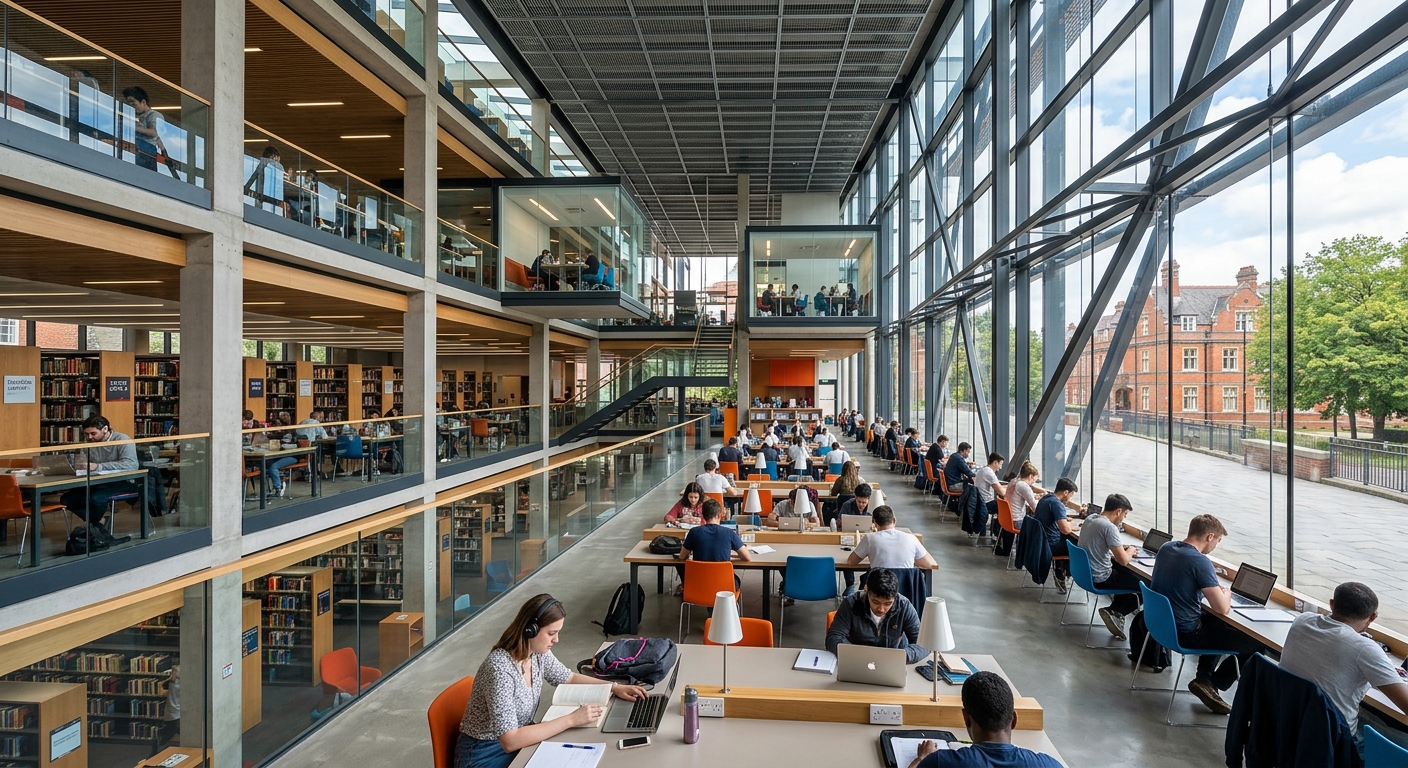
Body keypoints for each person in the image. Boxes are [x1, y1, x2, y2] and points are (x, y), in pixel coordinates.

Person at [456, 595, 646, 767]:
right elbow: (510, 741)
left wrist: (614, 687)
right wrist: (572, 719)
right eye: (551, 633)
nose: (556, 640)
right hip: (484, 754)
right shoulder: (499, 670)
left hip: (519, 738)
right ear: (530, 630)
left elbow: (568, 677)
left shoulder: (536, 653)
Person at [1150, 514, 1268, 715]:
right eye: (1218, 541)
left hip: (1161, 626)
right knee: (1256, 644)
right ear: (1209, 536)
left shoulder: (1166, 548)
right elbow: (1222, 608)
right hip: (1184, 633)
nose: (1215, 546)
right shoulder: (1200, 561)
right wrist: (1227, 594)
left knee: (1216, 624)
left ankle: (1204, 679)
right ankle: (1213, 682)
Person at [1279, 582, 1408, 754]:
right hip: (1333, 742)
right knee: (1397, 737)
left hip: (1286, 724)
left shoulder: (1303, 620)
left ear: (1332, 604)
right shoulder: (1365, 649)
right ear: (1372, 617)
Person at [907, 672, 1062, 768]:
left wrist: (922, 758)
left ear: (966, 719)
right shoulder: (1049, 765)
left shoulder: (940, 762)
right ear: (1014, 720)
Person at [825, 567, 928, 663]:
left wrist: (901, 656)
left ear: (895, 596)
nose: (881, 609)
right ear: (866, 589)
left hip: (892, 662)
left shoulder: (904, 606)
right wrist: (857, 655)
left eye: (888, 603)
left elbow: (924, 644)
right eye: (875, 602)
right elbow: (833, 637)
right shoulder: (850, 604)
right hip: (859, 661)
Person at [1075, 493, 1141, 640]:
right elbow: (1124, 560)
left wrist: (1120, 547)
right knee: (1145, 584)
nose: (1124, 518)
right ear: (1118, 511)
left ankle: (1115, 612)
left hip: (1084, 573)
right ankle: (1116, 611)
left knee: (1127, 576)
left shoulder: (1091, 518)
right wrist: (1130, 550)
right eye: (1125, 514)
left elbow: (1100, 543)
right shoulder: (1109, 527)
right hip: (1101, 577)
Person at [59, 415, 140, 529]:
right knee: (67, 499)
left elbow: (131, 465)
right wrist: (75, 465)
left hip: (123, 481)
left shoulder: (122, 439)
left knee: (96, 498)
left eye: (93, 433)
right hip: (98, 482)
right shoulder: (89, 443)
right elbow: (84, 463)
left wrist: (98, 466)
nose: (89, 437)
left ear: (105, 429)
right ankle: (99, 523)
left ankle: (95, 528)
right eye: (86, 434)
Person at [681, 499, 750, 589]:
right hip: (724, 586)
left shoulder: (694, 532)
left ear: (703, 515)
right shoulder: (729, 533)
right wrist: (734, 555)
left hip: (699, 584)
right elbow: (747, 557)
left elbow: (682, 556)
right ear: (719, 515)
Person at [847, 505, 935, 571]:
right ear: (894, 520)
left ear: (875, 523)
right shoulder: (911, 538)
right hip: (905, 588)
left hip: (879, 588)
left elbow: (851, 562)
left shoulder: (870, 538)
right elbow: (930, 564)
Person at [1032, 477, 1079, 590]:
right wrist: (1072, 528)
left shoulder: (1046, 498)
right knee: (1078, 544)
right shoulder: (1057, 504)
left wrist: (1065, 522)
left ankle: (1060, 570)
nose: (1070, 498)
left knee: (1066, 539)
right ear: (1065, 492)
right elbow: (1065, 530)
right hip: (1050, 545)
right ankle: (1065, 572)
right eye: (1071, 495)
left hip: (1041, 542)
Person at [995, 462, 1040, 556]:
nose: (1033, 483)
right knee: (1039, 527)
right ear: (1031, 476)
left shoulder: (1014, 481)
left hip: (1007, 519)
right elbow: (1035, 508)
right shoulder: (1024, 486)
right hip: (1017, 521)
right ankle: (1030, 555)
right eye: (1035, 479)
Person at [122, 86, 165, 172]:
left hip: (147, 153)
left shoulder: (154, 115)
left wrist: (134, 126)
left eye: (134, 104)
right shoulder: (136, 116)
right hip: (137, 150)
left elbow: (154, 132)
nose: (132, 107)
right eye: (129, 104)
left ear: (143, 102)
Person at [973, 452, 1007, 537]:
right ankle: (997, 533)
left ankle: (996, 532)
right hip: (986, 503)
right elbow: (1002, 492)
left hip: (980, 501)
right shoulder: (989, 473)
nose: (1000, 467)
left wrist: (1009, 487)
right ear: (995, 462)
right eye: (1000, 464)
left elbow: (998, 486)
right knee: (1006, 508)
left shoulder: (983, 470)